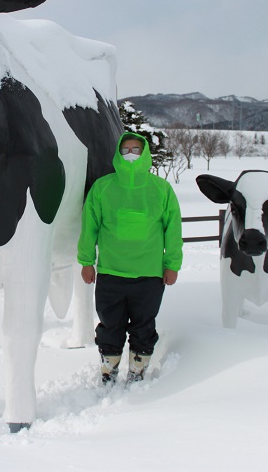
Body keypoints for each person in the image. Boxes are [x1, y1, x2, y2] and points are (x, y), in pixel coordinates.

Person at [78, 131, 183, 384]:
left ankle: (137, 370)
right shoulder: (103, 187)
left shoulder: (161, 189)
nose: (131, 155)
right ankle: (108, 370)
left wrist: (172, 265)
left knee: (143, 325)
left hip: (149, 274)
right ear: (118, 154)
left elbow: (173, 230)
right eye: (126, 150)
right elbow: (89, 226)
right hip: (110, 272)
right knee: (109, 325)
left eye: (136, 150)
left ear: (145, 153)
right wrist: (86, 261)